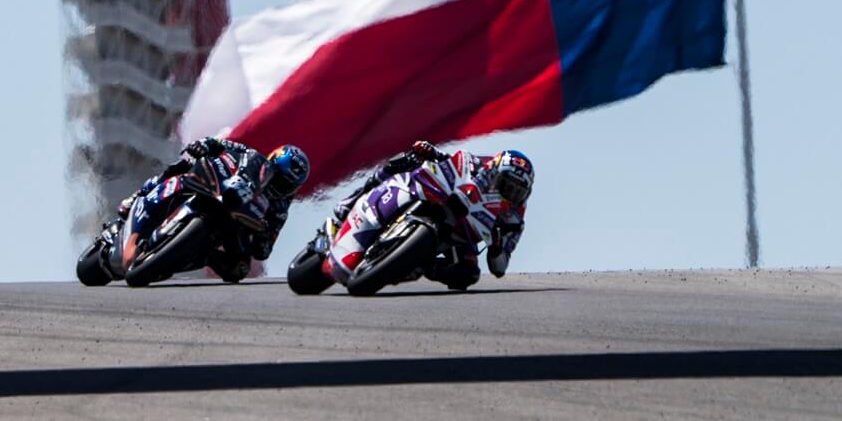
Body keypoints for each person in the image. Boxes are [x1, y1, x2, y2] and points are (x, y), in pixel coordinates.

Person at [320, 143, 532, 289]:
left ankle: (418, 264)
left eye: (517, 191)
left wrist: (496, 247)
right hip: (445, 199)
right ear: (496, 173)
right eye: (507, 185)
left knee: (467, 275)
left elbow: (499, 268)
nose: (511, 195)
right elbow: (454, 163)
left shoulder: (514, 220)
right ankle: (351, 203)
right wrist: (431, 152)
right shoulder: (479, 165)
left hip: (464, 233)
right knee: (405, 161)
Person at [106, 137, 309, 282]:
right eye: (280, 178)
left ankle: (182, 256)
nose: (282, 186)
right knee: (184, 164)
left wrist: (263, 233)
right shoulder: (252, 157)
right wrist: (203, 145)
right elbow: (219, 143)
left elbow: (264, 251)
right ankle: (138, 196)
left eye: (288, 185)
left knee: (238, 270)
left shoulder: (281, 207)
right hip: (213, 189)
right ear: (272, 163)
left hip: (233, 224)